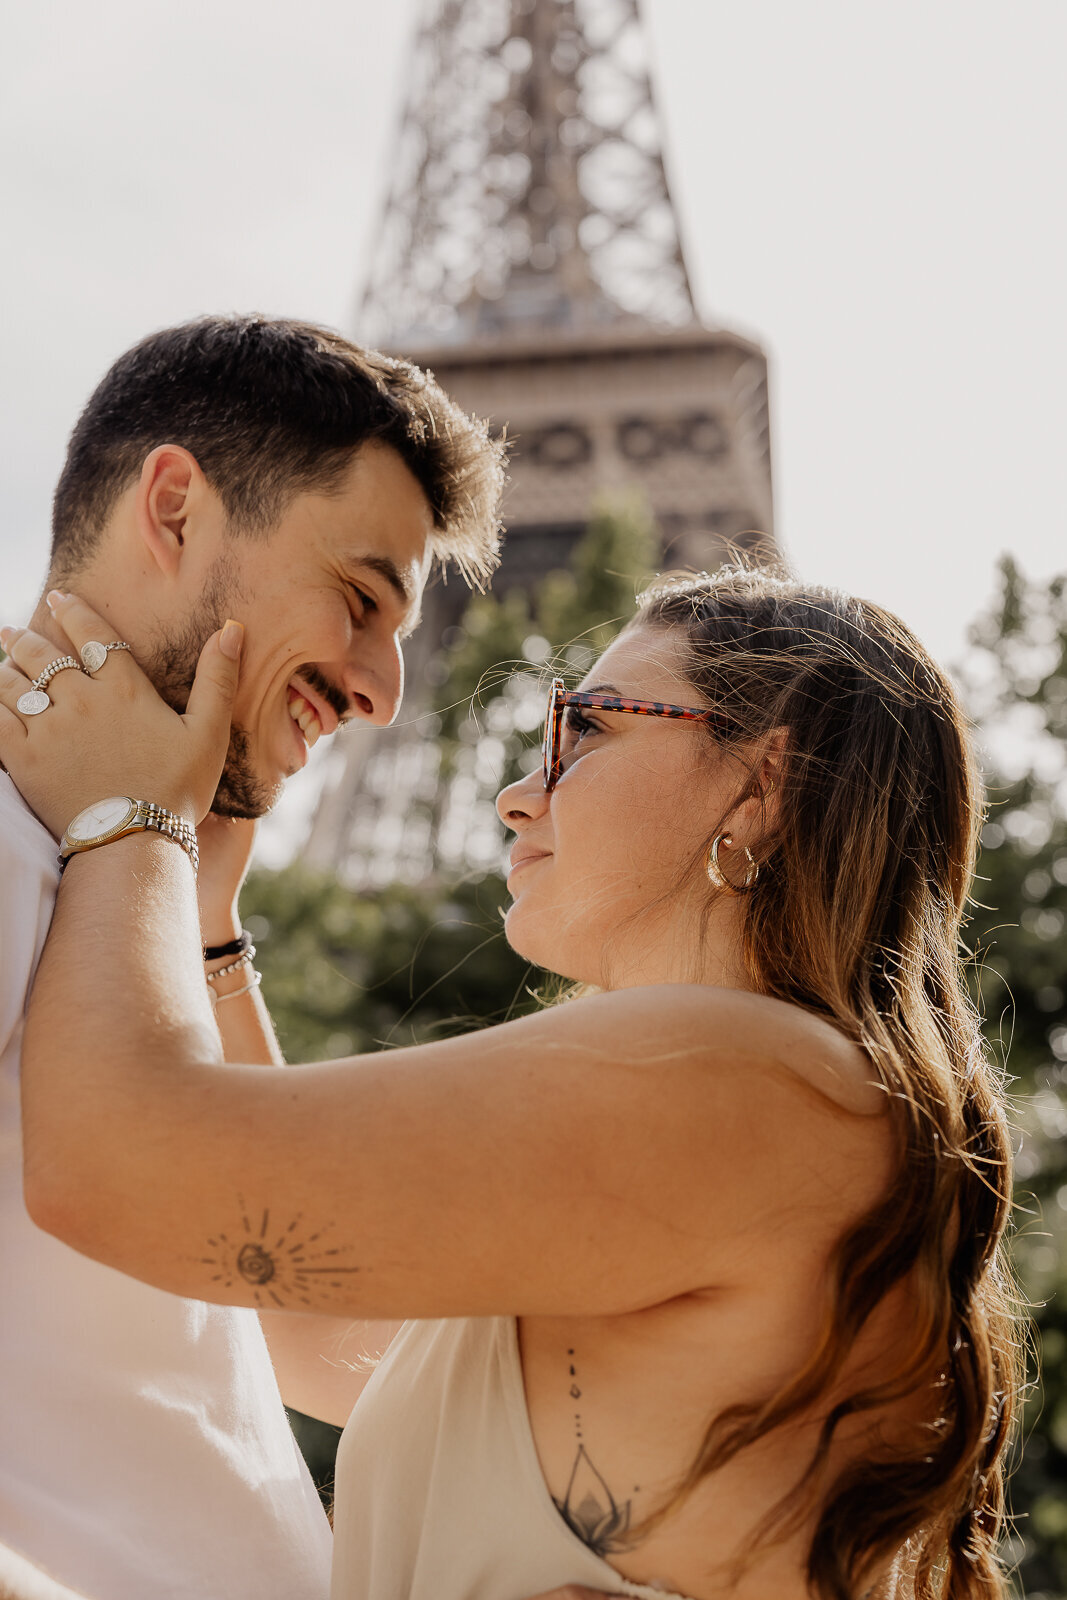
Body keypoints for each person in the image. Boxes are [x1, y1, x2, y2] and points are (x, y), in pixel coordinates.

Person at [0, 566, 1020, 1600]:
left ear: (759, 782)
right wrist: (212, 925)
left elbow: (118, 1166)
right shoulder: (775, 1105)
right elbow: (334, 1342)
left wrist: (128, 818)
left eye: (582, 728)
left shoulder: (751, 1080)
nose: (517, 789)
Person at [0, 312, 506, 1599]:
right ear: (174, 509)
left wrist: (196, 899)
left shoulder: (124, 873)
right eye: (359, 600)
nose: (385, 689)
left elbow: (319, 1344)